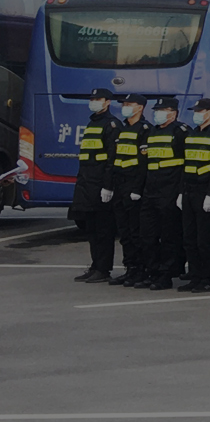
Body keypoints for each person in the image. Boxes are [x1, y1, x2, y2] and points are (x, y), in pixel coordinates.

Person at [69, 88, 123, 284]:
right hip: (87, 183)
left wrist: (108, 186)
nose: (94, 102)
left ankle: (103, 268)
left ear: (107, 102)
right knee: (91, 228)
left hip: (100, 184)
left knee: (103, 229)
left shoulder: (112, 124)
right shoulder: (92, 123)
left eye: (98, 99)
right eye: (92, 99)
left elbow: (111, 159)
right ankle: (95, 265)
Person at [176, 98, 210, 293]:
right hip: (189, 190)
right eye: (195, 111)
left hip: (205, 191)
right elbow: (186, 165)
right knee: (189, 238)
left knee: (206, 240)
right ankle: (195, 276)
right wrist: (181, 192)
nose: (196, 114)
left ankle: (208, 279)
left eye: (200, 111)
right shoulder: (191, 134)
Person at [137, 97, 189, 290]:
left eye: (162, 110)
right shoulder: (151, 131)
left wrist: (181, 192)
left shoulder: (180, 132)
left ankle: (166, 275)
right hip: (151, 191)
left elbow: (186, 165)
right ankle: (152, 271)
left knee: (169, 236)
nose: (158, 113)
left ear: (173, 113)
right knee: (147, 235)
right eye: (157, 110)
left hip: (170, 190)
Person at [109, 94, 152, 287]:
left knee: (137, 231)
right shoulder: (122, 129)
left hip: (134, 186)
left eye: (129, 104)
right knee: (124, 232)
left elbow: (144, 163)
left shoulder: (145, 130)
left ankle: (141, 269)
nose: (125, 107)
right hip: (120, 184)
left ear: (140, 107)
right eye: (124, 104)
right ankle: (130, 268)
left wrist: (137, 188)